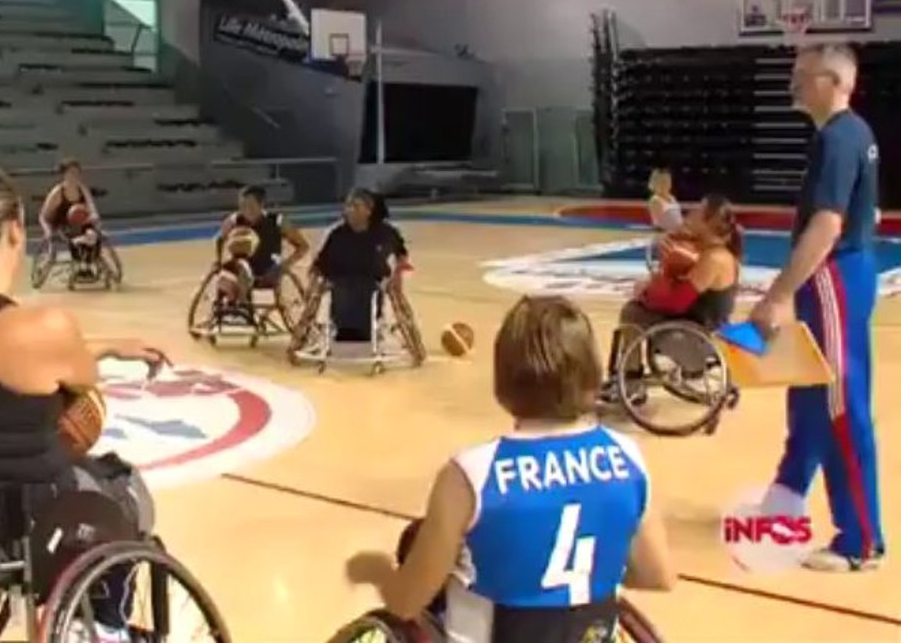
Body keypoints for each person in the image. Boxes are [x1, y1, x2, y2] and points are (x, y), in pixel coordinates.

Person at [0, 168, 168, 643]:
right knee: (124, 491)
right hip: (20, 528)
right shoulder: (43, 326)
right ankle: (105, 628)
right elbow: (81, 379)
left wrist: (108, 344)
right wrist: (105, 351)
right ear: (15, 228)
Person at [346, 296, 676, 643]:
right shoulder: (627, 457)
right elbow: (658, 576)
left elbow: (406, 603)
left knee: (414, 555)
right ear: (591, 373)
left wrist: (376, 571)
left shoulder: (471, 475)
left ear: (503, 379)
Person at [750, 43, 884, 572]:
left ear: (833, 81)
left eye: (801, 77)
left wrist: (779, 294)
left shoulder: (838, 138)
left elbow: (827, 225)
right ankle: (783, 505)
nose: (793, 86)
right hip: (844, 276)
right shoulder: (854, 134)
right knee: (809, 400)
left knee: (838, 405)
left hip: (834, 278)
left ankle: (860, 540)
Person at [604, 194, 743, 391]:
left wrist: (647, 293)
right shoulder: (715, 252)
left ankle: (631, 382)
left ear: (708, 222)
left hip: (695, 343)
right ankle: (630, 377)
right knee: (637, 309)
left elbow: (675, 303)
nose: (690, 214)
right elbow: (676, 238)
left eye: (697, 212)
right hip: (702, 333)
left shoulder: (714, 260)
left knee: (632, 313)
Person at [309, 189, 410, 342]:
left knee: (365, 293)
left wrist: (398, 275)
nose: (350, 210)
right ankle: (346, 330)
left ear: (368, 211)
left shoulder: (385, 232)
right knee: (343, 294)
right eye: (348, 206)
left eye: (356, 206)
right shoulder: (337, 234)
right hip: (342, 283)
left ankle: (364, 329)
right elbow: (319, 264)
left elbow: (401, 254)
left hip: (372, 282)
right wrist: (313, 284)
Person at [215, 185, 310, 289]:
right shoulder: (234, 220)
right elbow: (219, 239)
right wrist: (218, 260)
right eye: (242, 206)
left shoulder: (277, 221)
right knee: (225, 279)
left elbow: (303, 246)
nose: (246, 210)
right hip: (240, 269)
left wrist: (285, 265)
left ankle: (243, 299)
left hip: (268, 270)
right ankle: (241, 301)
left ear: (261, 205)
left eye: (251, 206)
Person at [38, 158, 102, 272]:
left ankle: (86, 258)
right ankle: (76, 249)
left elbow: (92, 207)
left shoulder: (82, 189)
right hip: (63, 225)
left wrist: (94, 215)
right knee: (75, 236)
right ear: (64, 175)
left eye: (77, 173)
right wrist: (47, 231)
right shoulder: (57, 193)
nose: (75, 176)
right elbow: (43, 216)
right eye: (71, 173)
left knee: (94, 235)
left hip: (82, 223)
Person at [647, 168, 683, 233]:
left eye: (668, 181)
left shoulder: (672, 198)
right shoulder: (655, 200)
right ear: (654, 184)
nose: (665, 184)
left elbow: (677, 219)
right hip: (663, 236)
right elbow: (658, 225)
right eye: (662, 182)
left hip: (676, 234)